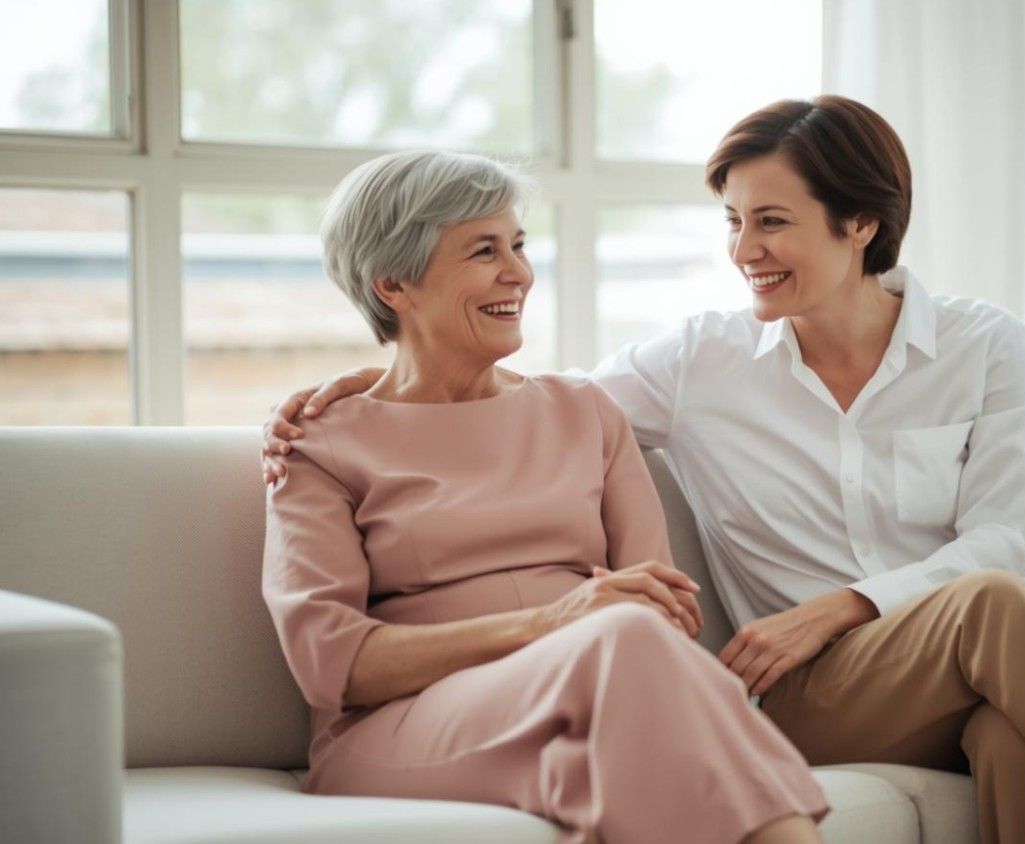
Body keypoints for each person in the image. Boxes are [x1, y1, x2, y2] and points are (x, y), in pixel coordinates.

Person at [263, 97, 1025, 844]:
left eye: (771, 221)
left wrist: (839, 605)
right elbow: (490, 410)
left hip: (983, 647)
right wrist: (376, 374)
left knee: (1010, 708)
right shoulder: (693, 363)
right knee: (993, 610)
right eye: (734, 222)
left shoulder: (984, 343)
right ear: (394, 284)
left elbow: (999, 537)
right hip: (796, 687)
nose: (744, 249)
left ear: (859, 224)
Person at [260, 149, 828, 844]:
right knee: (624, 641)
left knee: (613, 752)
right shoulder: (315, 443)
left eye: (518, 244)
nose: (518, 273)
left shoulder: (584, 410)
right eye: (483, 251)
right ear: (394, 287)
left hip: (589, 696)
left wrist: (580, 628)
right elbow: (333, 666)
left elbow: (665, 610)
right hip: (403, 722)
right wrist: (550, 624)